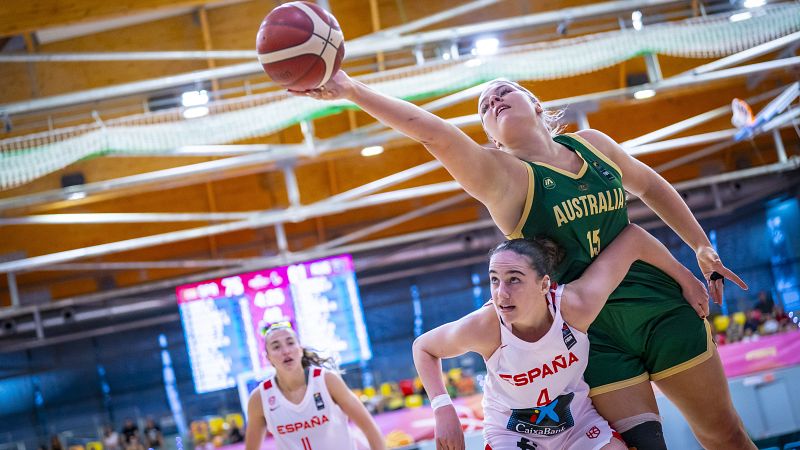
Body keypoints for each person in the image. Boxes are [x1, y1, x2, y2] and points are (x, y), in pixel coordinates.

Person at [296, 72, 753, 449]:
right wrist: (352, 90)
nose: (492, 100)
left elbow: (651, 187)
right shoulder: (505, 179)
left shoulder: (593, 144)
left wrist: (699, 247)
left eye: (503, 91)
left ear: (536, 104)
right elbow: (432, 133)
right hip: (591, 332)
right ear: (491, 140)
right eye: (484, 107)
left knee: (724, 434)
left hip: (659, 305)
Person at [414, 225, 701, 449]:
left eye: (514, 279)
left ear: (544, 285)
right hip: (512, 432)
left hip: (576, 423)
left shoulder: (575, 307)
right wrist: (442, 408)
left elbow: (633, 239)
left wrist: (687, 279)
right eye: (494, 279)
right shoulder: (484, 326)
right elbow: (424, 347)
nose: (501, 293)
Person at [244, 322, 386, 450]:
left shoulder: (326, 380)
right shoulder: (260, 398)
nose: (285, 351)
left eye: (290, 343)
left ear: (300, 349)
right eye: (276, 346)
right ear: (268, 357)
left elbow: (370, 428)